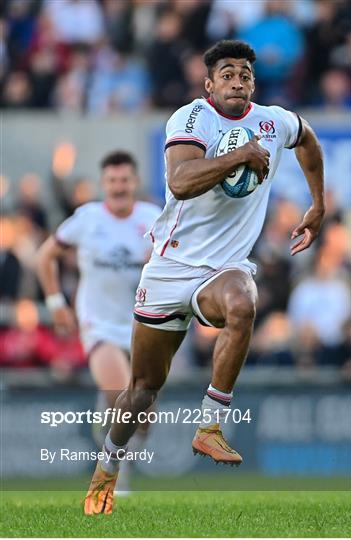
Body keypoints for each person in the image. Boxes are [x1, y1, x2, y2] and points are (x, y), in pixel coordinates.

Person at [84, 40, 325, 515]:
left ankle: (210, 426)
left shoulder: (274, 122)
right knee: (141, 391)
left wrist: (318, 204)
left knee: (242, 302)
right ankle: (107, 468)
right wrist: (239, 157)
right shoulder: (192, 118)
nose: (238, 81)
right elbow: (180, 180)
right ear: (209, 83)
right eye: (228, 74)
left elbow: (309, 141)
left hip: (223, 269)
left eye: (245, 75)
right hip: (171, 267)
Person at [37, 151, 161, 488]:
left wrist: (161, 261)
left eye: (125, 180)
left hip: (143, 325)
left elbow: (179, 265)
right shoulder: (87, 218)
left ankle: (112, 433)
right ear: (103, 183)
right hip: (99, 323)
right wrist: (54, 301)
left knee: (145, 416)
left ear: (134, 182)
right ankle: (113, 473)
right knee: (123, 395)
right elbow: (45, 255)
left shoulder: (154, 220)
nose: (119, 187)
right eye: (113, 181)